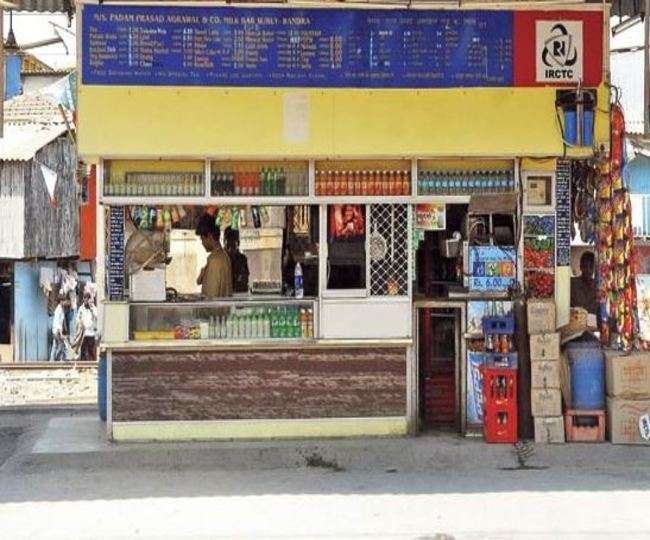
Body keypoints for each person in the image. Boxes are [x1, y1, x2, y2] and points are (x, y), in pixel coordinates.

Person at [195, 213, 233, 298]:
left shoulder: (215, 261)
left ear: (209, 236)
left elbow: (211, 299)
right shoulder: (223, 256)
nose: (202, 243)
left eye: (202, 239)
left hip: (215, 311)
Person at [224, 227, 250, 293]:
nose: (230, 248)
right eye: (229, 243)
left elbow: (245, 279)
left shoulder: (242, 259)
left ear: (238, 243)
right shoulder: (222, 260)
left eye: (233, 242)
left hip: (239, 296)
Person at [75, 291, 98, 361]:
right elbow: (77, 320)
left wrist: (91, 309)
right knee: (83, 351)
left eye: (87, 298)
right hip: (83, 334)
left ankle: (93, 366)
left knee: (92, 351)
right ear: (83, 299)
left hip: (91, 333)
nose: (86, 300)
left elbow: (97, 317)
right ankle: (82, 367)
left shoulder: (93, 308)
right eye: (85, 298)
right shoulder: (81, 309)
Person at [50, 294, 71, 362]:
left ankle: (52, 361)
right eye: (64, 301)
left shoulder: (61, 309)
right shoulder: (58, 310)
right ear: (61, 301)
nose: (65, 302)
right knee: (61, 346)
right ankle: (57, 359)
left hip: (57, 330)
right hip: (57, 331)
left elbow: (61, 321)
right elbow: (57, 322)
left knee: (55, 345)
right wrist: (61, 333)